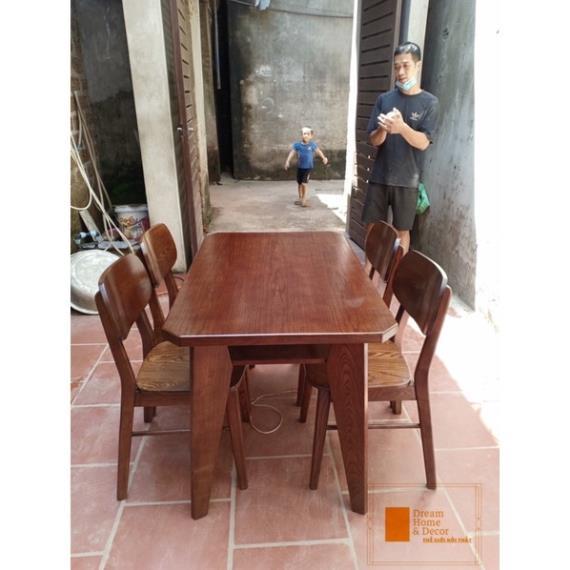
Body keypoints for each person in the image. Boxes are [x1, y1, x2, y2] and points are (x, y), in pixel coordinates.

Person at [362, 41, 439, 253]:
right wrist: (384, 129)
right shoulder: (384, 99)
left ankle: (395, 271)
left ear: (418, 65)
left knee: (402, 231)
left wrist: (402, 127)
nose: (401, 72)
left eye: (406, 66)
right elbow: (374, 140)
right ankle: (369, 272)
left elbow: (423, 143)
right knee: (372, 227)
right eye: (397, 67)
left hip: (407, 180)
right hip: (380, 176)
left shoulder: (430, 103)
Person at [284, 127, 328, 207]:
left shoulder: (312, 145)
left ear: (311, 136)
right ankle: (300, 198)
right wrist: (287, 161)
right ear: (302, 135)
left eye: (308, 134)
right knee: (299, 183)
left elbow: (318, 151)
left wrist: (324, 158)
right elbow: (292, 153)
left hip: (308, 168)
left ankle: (304, 200)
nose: (306, 135)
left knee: (304, 183)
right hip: (300, 167)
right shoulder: (297, 145)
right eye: (304, 134)